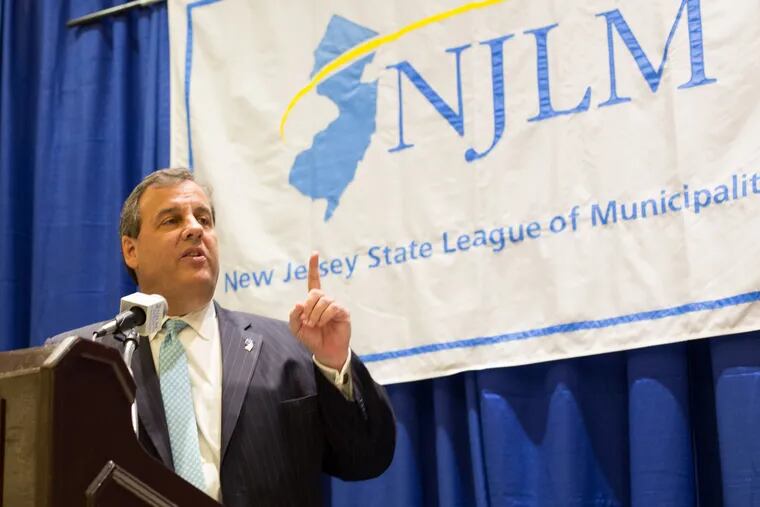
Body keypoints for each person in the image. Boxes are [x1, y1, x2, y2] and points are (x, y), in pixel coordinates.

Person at [51, 168, 396, 506]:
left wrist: (334, 363)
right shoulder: (81, 360)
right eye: (171, 220)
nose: (194, 229)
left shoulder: (289, 349)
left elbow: (366, 459)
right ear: (131, 250)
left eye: (204, 219)